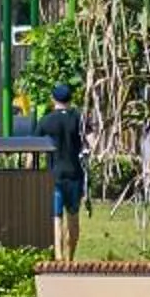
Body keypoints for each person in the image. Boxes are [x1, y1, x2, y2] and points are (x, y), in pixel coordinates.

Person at [39, 82, 88, 261]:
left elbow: (33, 148)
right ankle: (70, 258)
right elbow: (89, 140)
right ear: (71, 99)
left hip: (54, 175)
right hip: (75, 174)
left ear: (53, 99)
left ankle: (58, 257)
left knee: (57, 217)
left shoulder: (45, 121)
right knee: (73, 217)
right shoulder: (78, 119)